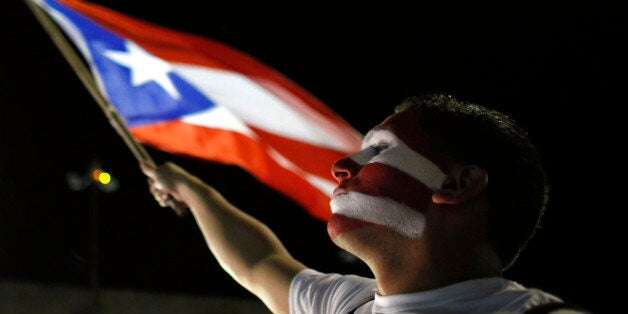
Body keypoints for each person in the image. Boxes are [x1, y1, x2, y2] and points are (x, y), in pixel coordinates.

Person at [140, 93, 589, 313]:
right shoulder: (345, 306)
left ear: (458, 183)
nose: (342, 166)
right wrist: (193, 191)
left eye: (380, 150)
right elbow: (258, 262)